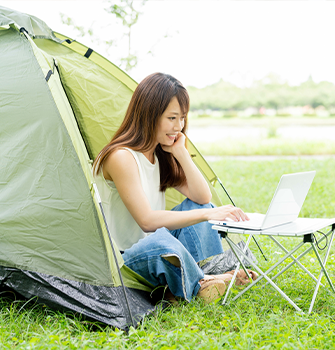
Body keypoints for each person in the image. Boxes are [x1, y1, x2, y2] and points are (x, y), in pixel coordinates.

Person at [93, 72, 255, 304]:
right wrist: (208, 213)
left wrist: (181, 152)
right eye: (172, 118)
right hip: (126, 259)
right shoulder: (121, 157)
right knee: (161, 241)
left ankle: (193, 284)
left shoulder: (160, 153)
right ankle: (206, 281)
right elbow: (147, 221)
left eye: (183, 118)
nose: (179, 126)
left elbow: (202, 196)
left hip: (157, 246)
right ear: (149, 115)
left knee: (199, 208)